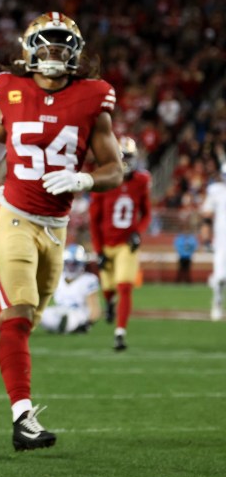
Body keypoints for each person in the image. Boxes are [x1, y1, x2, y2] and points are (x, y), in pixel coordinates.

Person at [0, 11, 122, 451]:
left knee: (20, 324)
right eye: (46, 43)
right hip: (14, 214)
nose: (53, 52)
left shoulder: (93, 97)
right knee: (18, 315)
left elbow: (115, 168)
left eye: (62, 44)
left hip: (57, 226)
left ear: (75, 53)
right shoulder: (6, 88)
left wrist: (85, 179)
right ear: (29, 49)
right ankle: (23, 418)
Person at [89, 136, 151, 351]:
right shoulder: (103, 181)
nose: (126, 162)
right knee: (108, 288)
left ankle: (120, 333)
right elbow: (94, 222)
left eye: (129, 157)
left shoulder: (141, 181)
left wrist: (138, 233)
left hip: (127, 244)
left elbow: (147, 214)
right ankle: (109, 304)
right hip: (107, 243)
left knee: (124, 287)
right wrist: (98, 250)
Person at [38, 244, 101, 334]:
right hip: (59, 310)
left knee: (69, 318)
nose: (71, 267)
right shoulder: (58, 278)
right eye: (69, 264)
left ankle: (62, 326)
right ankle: (59, 326)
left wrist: (88, 324)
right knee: (38, 312)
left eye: (74, 264)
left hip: (78, 314)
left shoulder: (89, 279)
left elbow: (95, 309)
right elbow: (44, 298)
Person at [200, 163, 226, 322]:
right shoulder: (215, 190)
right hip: (221, 241)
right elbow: (207, 218)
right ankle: (217, 303)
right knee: (220, 277)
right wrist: (206, 239)